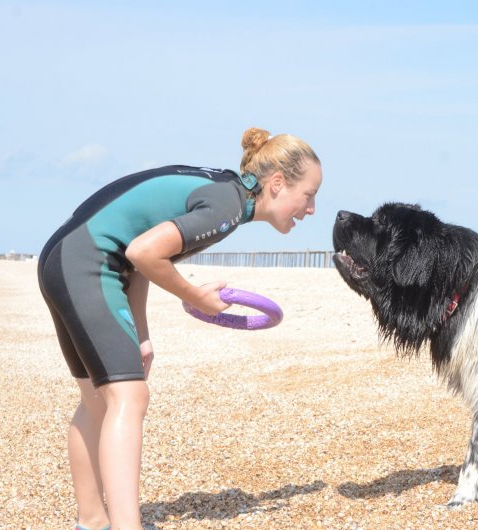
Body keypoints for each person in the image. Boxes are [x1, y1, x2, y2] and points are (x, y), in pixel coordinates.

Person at [37, 128, 322, 530]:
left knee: (98, 401)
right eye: (309, 196)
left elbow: (133, 246)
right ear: (277, 184)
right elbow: (142, 252)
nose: (311, 209)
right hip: (87, 264)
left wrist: (140, 331)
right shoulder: (227, 206)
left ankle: (93, 522)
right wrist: (195, 296)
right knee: (129, 398)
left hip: (62, 257)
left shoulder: (223, 190)